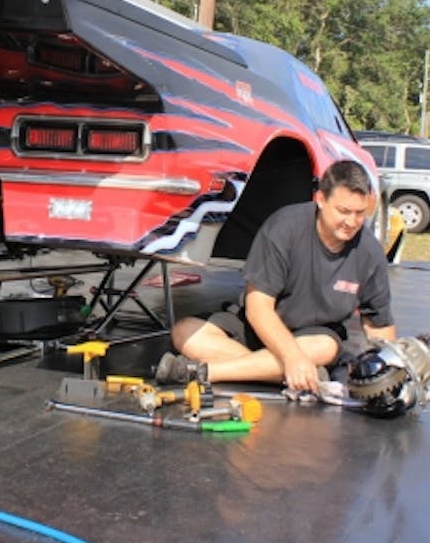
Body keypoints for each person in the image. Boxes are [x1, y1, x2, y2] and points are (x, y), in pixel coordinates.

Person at [156, 159, 396, 394]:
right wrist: (292, 358)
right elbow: (258, 308)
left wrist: (396, 368)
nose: (352, 222)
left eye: (359, 214)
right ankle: (295, 375)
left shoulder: (369, 251)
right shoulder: (284, 227)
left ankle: (205, 372)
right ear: (320, 199)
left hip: (313, 338)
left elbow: (379, 325)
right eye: (343, 211)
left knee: (325, 348)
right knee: (185, 332)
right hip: (261, 328)